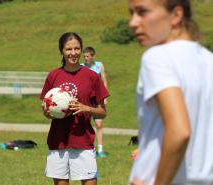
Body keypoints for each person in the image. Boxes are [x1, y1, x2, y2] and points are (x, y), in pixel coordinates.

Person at [128, 0, 213, 185]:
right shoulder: (208, 61)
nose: (133, 22)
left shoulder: (157, 57)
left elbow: (180, 131)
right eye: (132, 13)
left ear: (176, 15)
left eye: (142, 12)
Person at [40, 32, 109, 185]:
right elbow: (46, 113)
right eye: (68, 49)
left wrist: (87, 108)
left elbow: (103, 112)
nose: (73, 53)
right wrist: (49, 112)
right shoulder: (53, 76)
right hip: (58, 142)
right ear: (62, 51)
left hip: (83, 142)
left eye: (77, 49)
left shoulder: (92, 77)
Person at [82, 46, 108, 158]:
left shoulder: (99, 65)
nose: (86, 58)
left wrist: (105, 97)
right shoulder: (82, 67)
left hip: (97, 99)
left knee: (99, 124)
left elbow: (104, 81)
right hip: (86, 100)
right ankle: (87, 148)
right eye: (84, 56)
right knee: (85, 124)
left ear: (93, 56)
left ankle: (100, 149)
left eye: (88, 56)